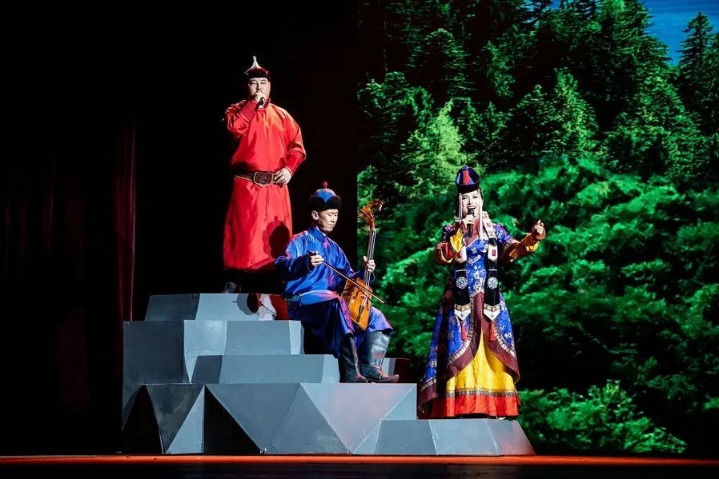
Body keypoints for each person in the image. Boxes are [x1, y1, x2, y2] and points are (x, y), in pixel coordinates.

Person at [417, 165, 546, 419]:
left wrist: (532, 238)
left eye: (474, 198)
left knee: (492, 352)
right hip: (459, 304)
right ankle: (458, 405)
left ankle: (494, 406)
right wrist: (459, 232)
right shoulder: (450, 231)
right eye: (465, 199)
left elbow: (512, 250)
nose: (471, 203)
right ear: (459, 203)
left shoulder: (495, 230)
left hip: (490, 301)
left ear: (482, 199)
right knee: (457, 350)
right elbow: (442, 256)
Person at [274, 182, 399, 383]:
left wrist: (364, 272)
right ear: (315, 215)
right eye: (330, 214)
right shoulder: (299, 241)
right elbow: (281, 264)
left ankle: (371, 367)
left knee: (375, 315)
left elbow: (348, 279)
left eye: (336, 215)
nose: (334, 218)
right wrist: (305, 262)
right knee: (337, 303)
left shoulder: (334, 248)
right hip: (302, 302)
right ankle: (350, 371)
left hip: (331, 303)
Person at [222, 56, 307, 293]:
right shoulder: (236, 110)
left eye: (263, 83)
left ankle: (277, 283)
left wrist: (289, 169)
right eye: (254, 83)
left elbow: (297, 148)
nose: (259, 87)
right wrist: (252, 105)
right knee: (244, 237)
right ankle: (234, 280)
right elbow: (235, 128)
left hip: (275, 188)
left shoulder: (283, 116)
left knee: (275, 239)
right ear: (246, 87)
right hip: (247, 186)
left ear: (270, 86)